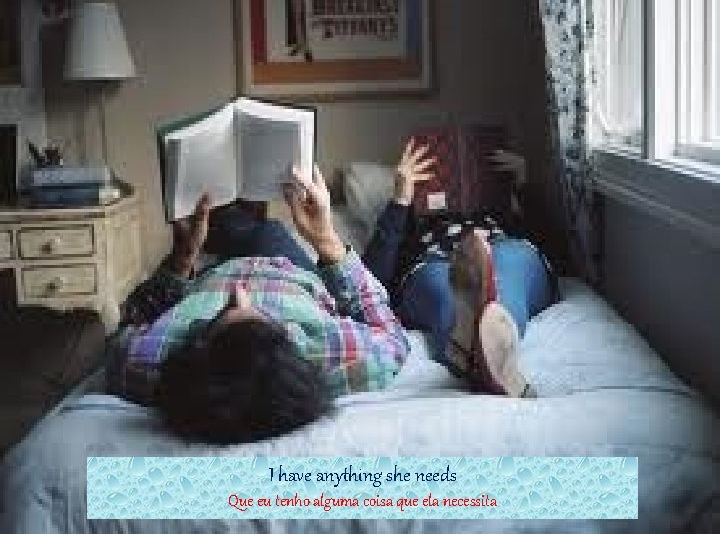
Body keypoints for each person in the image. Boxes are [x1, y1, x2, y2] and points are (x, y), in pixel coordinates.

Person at [107, 143, 554, 444]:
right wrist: (332, 237)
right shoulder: (329, 350)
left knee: (256, 227)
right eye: (256, 315)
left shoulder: (148, 360)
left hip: (221, 263)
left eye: (223, 315)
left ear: (197, 350)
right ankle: (489, 333)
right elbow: (387, 327)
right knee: (500, 269)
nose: (241, 293)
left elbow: (131, 324)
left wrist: (183, 258)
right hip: (307, 276)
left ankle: (228, 212)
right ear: (292, 348)